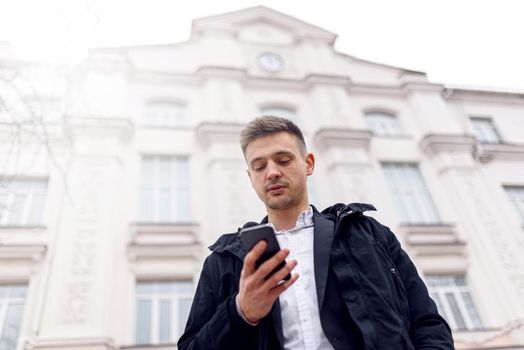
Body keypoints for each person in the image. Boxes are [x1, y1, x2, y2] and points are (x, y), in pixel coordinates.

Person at [178, 116, 454, 350]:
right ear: (250, 177)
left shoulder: (368, 235)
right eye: (259, 166)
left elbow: (427, 323)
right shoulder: (224, 261)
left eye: (283, 160)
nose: (271, 172)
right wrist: (240, 312)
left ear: (308, 163)